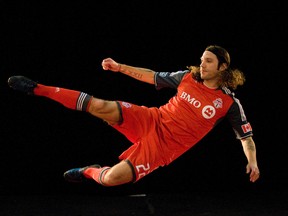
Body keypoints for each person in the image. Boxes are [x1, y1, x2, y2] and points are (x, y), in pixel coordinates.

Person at [7, 45, 260, 187]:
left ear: (223, 67)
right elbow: (150, 75)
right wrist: (119, 67)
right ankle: (37, 88)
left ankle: (89, 171)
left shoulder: (229, 103)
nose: (201, 65)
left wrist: (252, 162)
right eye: (201, 60)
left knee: (111, 179)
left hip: (162, 148)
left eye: (208, 62)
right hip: (152, 118)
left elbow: (246, 138)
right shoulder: (186, 77)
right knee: (101, 106)